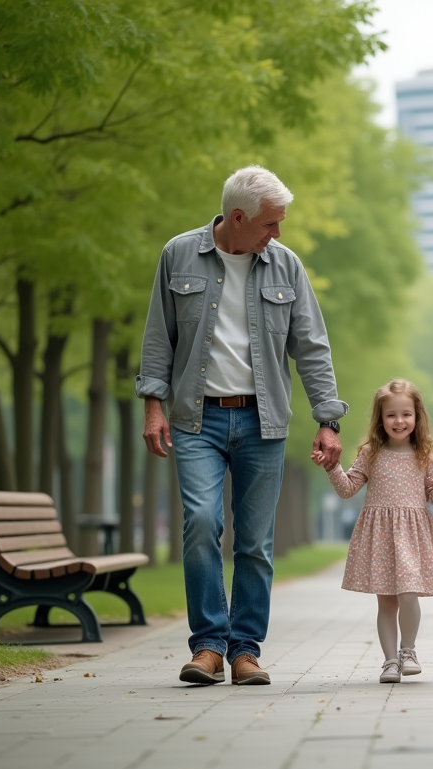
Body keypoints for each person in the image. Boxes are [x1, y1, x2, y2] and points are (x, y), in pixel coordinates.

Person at [137, 165, 348, 686]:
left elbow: (312, 347)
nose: (277, 233)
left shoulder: (286, 266)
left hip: (263, 419)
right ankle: (207, 645)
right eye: (270, 224)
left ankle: (245, 650)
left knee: (255, 541)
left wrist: (328, 419)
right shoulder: (178, 255)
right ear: (237, 217)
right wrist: (153, 405)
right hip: (195, 418)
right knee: (202, 524)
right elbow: (158, 337)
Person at [314, 378, 433, 684]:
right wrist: (331, 466)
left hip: (413, 534)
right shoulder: (370, 453)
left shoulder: (425, 455)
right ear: (381, 418)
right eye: (391, 415)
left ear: (417, 417)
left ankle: (409, 650)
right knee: (387, 601)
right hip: (380, 535)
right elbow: (348, 489)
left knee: (409, 593)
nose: (399, 421)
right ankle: (390, 661)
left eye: (406, 414)